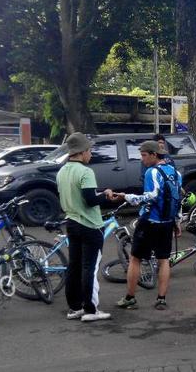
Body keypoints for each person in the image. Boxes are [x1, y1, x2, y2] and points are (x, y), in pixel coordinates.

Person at [56, 133, 115, 322]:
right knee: (89, 268)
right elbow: (90, 200)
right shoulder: (85, 172)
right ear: (82, 152)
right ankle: (90, 309)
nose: (91, 154)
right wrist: (105, 195)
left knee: (74, 266)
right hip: (89, 225)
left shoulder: (62, 171)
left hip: (71, 222)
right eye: (89, 150)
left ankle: (74, 307)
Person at [117, 140, 182, 311]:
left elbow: (152, 195)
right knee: (164, 260)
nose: (142, 159)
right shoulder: (175, 173)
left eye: (144, 155)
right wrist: (176, 220)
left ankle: (130, 298)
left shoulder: (151, 172)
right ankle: (161, 299)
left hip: (149, 221)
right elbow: (177, 199)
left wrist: (128, 197)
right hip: (167, 223)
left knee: (135, 258)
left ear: (154, 155)